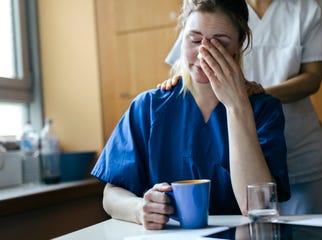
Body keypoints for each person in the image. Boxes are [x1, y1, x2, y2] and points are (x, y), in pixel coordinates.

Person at [91, 0, 290, 230]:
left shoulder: (263, 110)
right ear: (182, 37)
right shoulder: (148, 107)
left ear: (239, 45)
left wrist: (237, 108)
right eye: (194, 40)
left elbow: (258, 207)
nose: (203, 53)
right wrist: (139, 209)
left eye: (219, 43)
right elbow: (111, 194)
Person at [162, 0, 322, 214]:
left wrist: (248, 95)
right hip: (237, 148)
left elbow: (312, 78)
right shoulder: (220, 6)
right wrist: (178, 82)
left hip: (297, 148)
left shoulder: (307, 7)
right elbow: (190, 56)